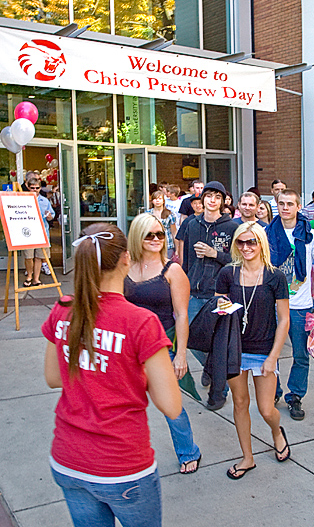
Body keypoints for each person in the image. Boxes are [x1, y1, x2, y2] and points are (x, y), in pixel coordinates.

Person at [42, 223, 182, 527]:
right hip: (122, 465)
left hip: (68, 458)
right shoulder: (141, 322)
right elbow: (172, 405)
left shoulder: (64, 309)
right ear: (125, 260)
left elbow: (53, 378)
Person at [125, 213, 201, 474]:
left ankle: (188, 451)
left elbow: (182, 315)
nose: (156, 239)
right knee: (126, 406)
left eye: (160, 234)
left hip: (162, 348)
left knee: (171, 406)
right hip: (128, 349)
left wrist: (181, 355)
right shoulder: (124, 267)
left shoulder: (173, 270)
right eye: (149, 235)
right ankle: (128, 455)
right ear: (137, 237)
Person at [216, 222, 290, 478]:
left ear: (261, 244)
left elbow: (284, 319)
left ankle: (276, 431)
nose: (246, 247)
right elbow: (218, 308)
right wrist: (221, 305)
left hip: (263, 349)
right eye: (241, 242)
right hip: (234, 348)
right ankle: (247, 458)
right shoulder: (228, 273)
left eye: (252, 242)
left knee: (266, 409)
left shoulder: (274, 276)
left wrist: (273, 357)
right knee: (239, 402)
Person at [266, 189, 314, 420]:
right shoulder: (266, 233)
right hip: (271, 304)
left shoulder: (311, 235)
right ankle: (272, 391)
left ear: (298, 207)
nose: (285, 208)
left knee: (301, 354)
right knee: (268, 352)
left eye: (290, 204)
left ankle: (295, 396)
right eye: (281, 203)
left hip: (300, 306)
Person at [183, 180, 238, 407]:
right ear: (202, 199)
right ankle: (211, 367)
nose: (212, 200)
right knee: (192, 340)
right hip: (194, 292)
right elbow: (186, 259)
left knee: (218, 343)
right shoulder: (191, 224)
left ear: (224, 201)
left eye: (217, 196)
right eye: (208, 196)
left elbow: (238, 261)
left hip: (220, 293)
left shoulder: (232, 227)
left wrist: (215, 253)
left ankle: (220, 388)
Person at [24, 177, 55, 287]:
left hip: (42, 232)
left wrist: (50, 217)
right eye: (32, 188)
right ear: (28, 187)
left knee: (39, 257)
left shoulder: (44, 200)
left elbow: (51, 215)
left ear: (40, 188)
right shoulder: (23, 199)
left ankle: (36, 279)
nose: (35, 190)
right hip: (28, 232)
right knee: (28, 256)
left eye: (37, 188)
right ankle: (29, 276)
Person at [175, 194, 203, 265]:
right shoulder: (188, 221)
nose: (198, 206)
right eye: (195, 203)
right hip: (191, 257)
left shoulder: (210, 219)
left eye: (200, 203)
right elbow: (182, 241)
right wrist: (182, 261)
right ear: (191, 205)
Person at [148, 191, 177, 259]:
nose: (157, 201)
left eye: (160, 198)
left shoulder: (170, 214)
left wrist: (177, 249)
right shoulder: (148, 214)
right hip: (152, 243)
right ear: (152, 201)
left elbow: (174, 232)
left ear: (163, 201)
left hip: (168, 244)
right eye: (155, 199)